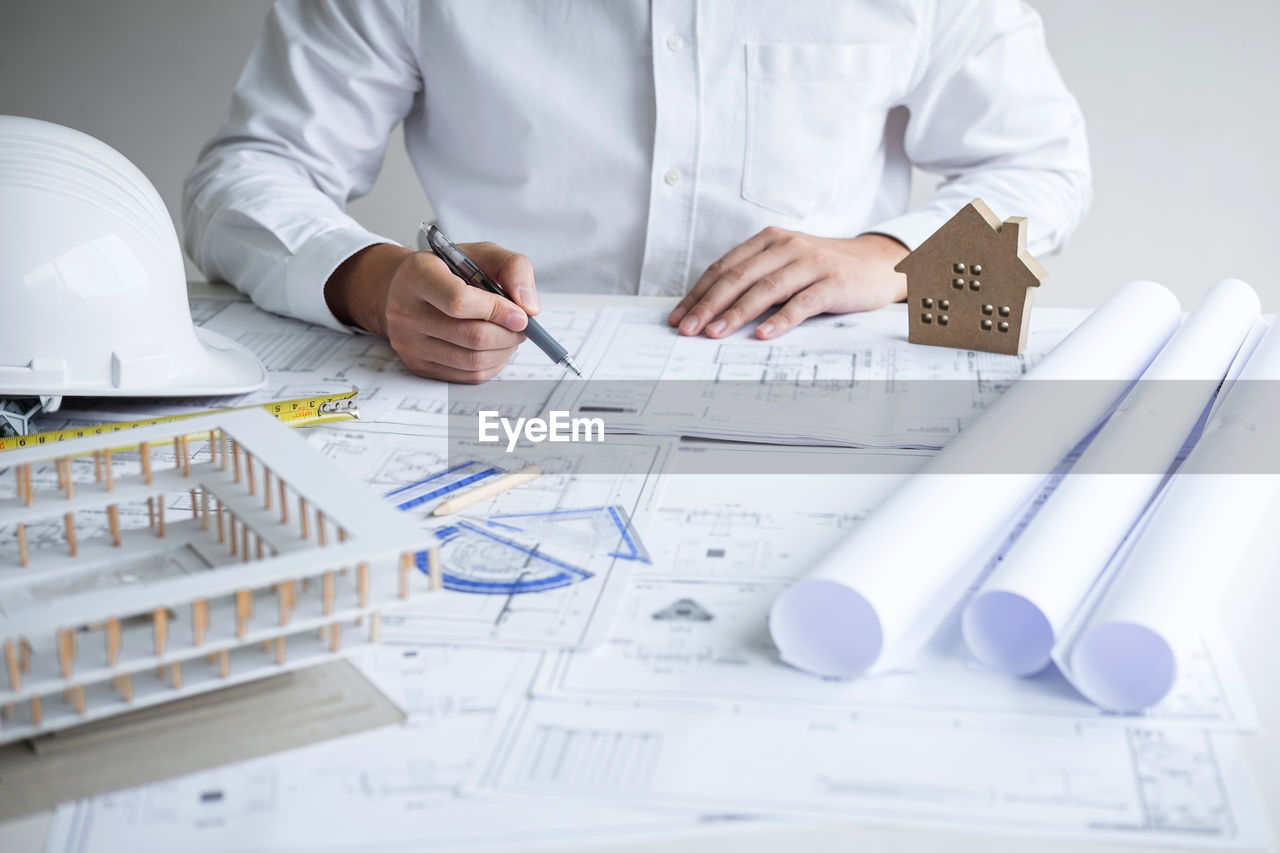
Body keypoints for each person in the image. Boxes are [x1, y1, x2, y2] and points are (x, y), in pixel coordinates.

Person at [185, 0, 1090, 383]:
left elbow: (1045, 172)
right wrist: (373, 282)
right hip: (487, 400)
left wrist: (890, 257)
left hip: (810, 407)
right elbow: (245, 174)